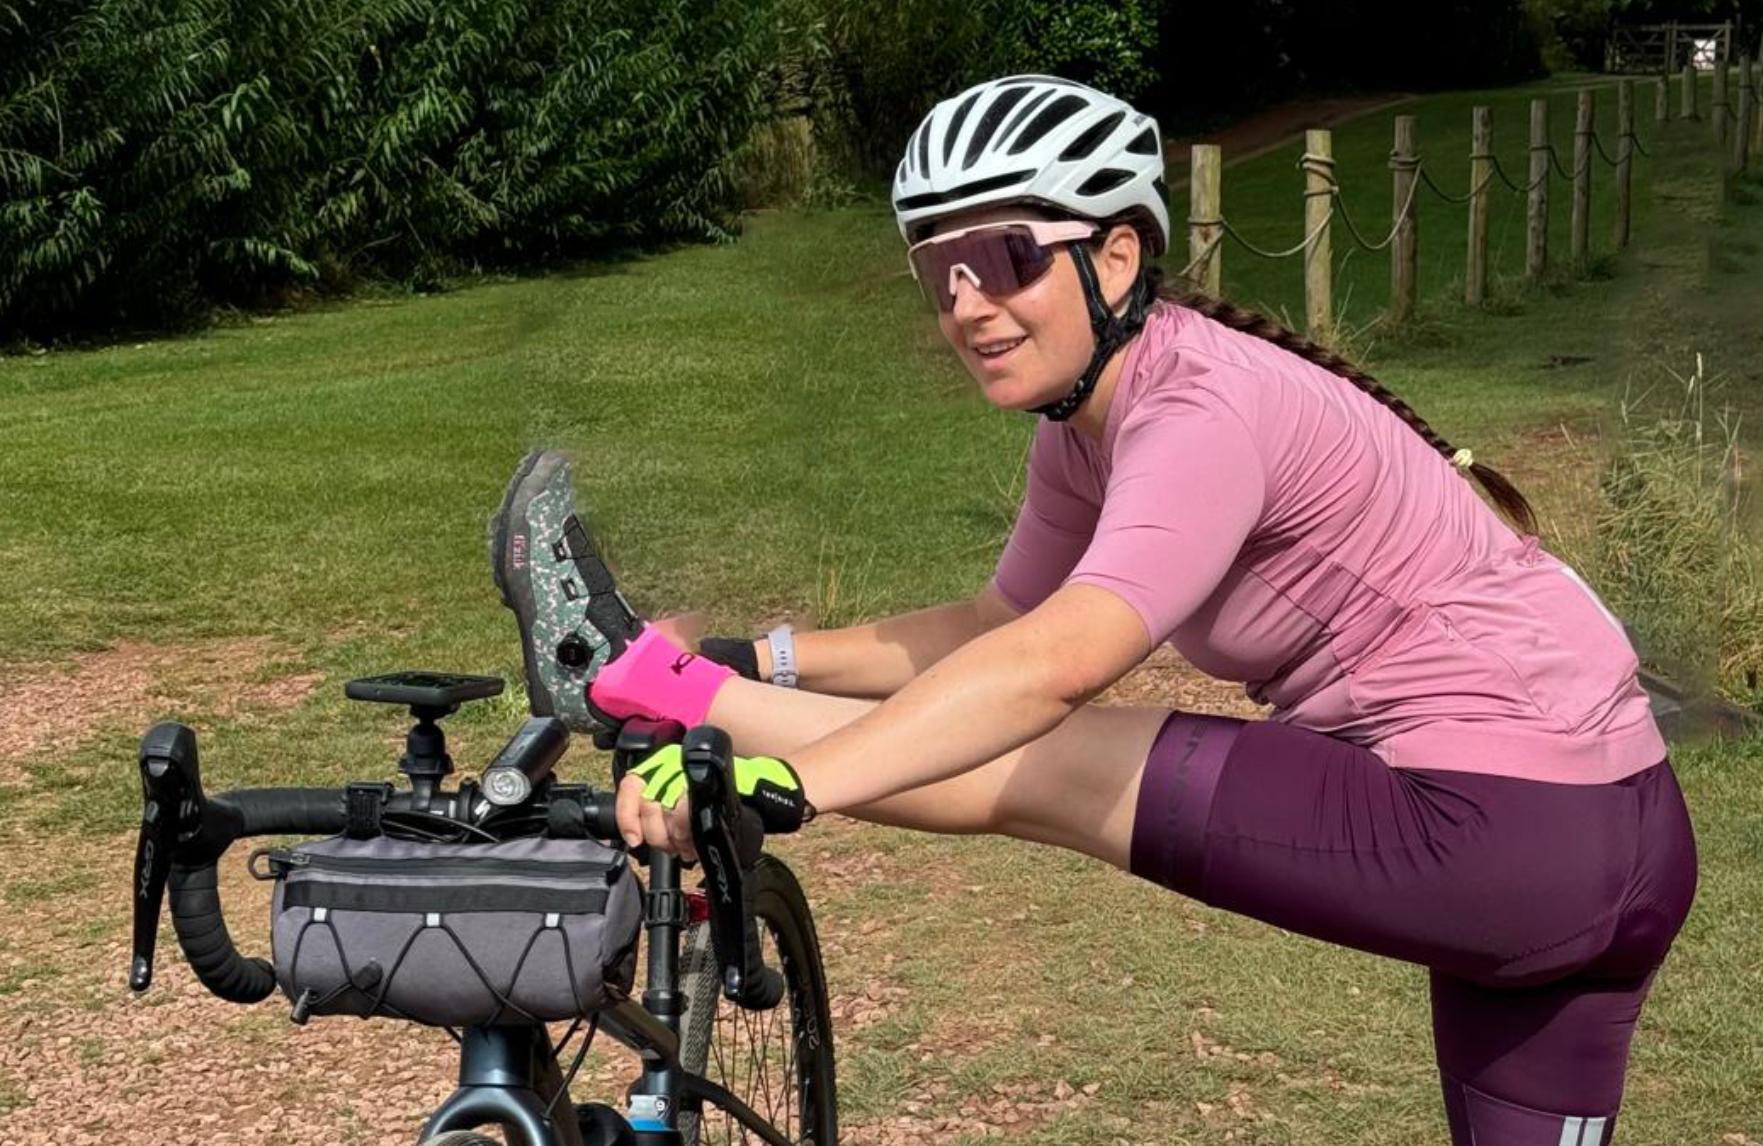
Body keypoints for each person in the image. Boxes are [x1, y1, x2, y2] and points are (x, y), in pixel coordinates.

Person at [489, 74, 1697, 1146]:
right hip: (1621, 831)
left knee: (1048, 760)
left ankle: (640, 677)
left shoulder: (1198, 407)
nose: (969, 304)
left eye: (1006, 257)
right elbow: (996, 625)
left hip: (1502, 823)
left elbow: (1059, 664)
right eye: (940, 273)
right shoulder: (1095, 422)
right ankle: (666, 676)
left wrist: (798, 779)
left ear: (1114, 258)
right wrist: (761, 655)